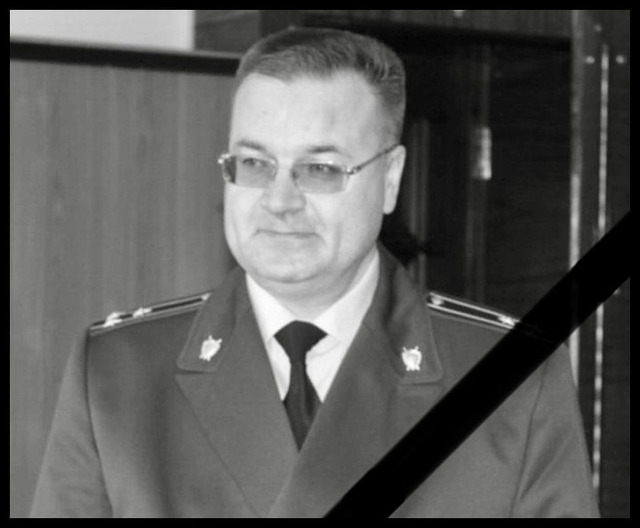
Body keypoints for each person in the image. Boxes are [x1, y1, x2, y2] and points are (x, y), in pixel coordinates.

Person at [31, 27, 599, 518]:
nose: (280, 201)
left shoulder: (514, 379)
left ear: (391, 179)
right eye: (255, 163)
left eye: (320, 169)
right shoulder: (119, 375)